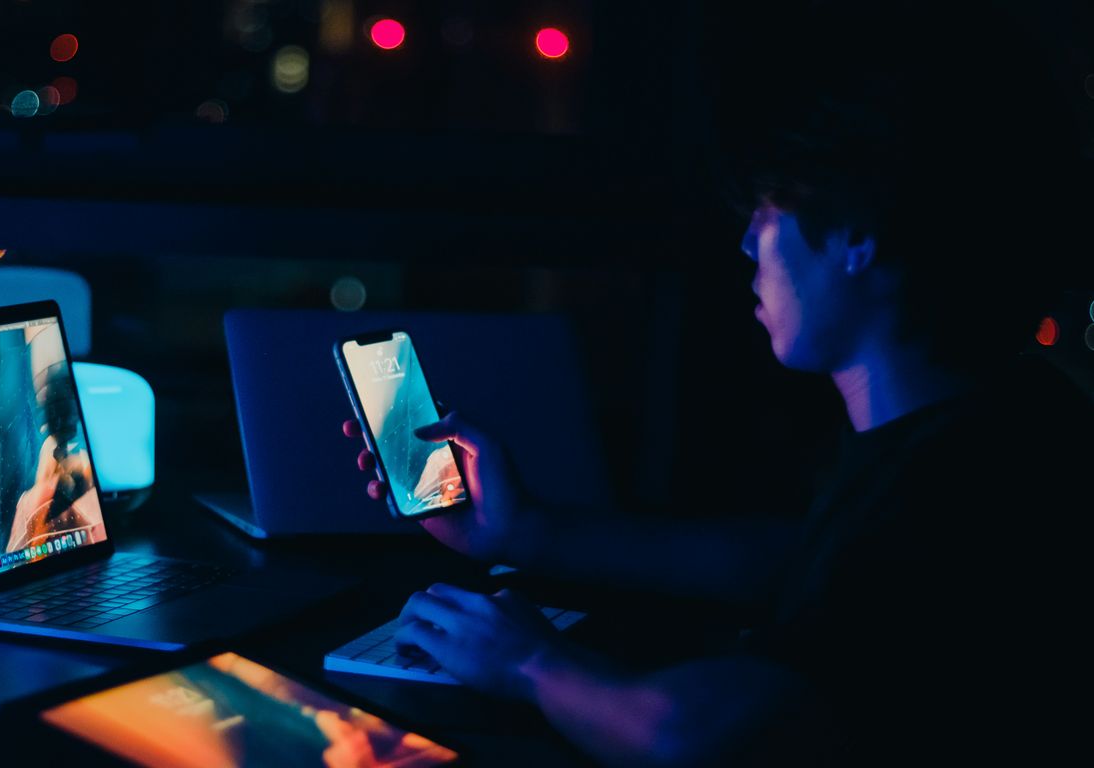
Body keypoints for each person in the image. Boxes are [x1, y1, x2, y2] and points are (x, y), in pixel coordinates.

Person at [343, 4, 1091, 764]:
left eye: (769, 206)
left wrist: (529, 663)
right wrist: (529, 532)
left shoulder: (969, 485)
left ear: (859, 231)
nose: (746, 240)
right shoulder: (1001, 417)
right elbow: (794, 562)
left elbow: (700, 734)